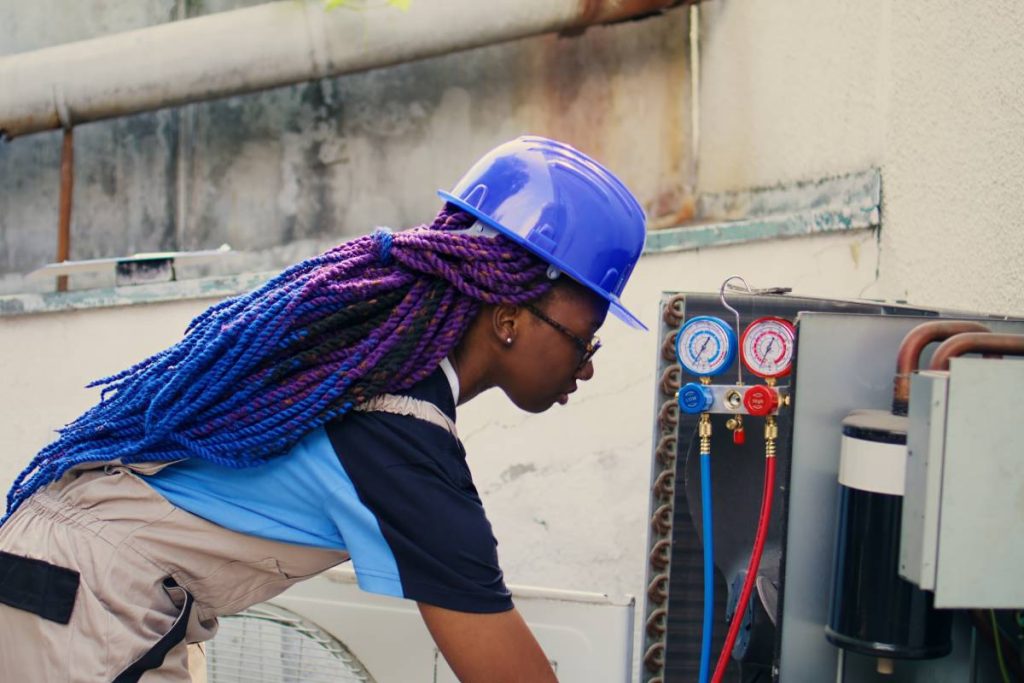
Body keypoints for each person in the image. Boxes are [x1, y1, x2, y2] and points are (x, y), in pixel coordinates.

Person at [0, 135, 647, 682]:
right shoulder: (397, 431)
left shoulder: (374, 376)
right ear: (508, 317)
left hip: (85, 582)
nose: (586, 364)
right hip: (84, 602)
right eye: (584, 337)